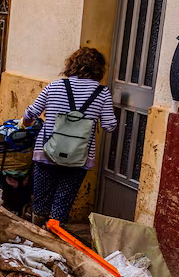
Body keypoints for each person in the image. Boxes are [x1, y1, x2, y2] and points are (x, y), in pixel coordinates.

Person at [22, 46, 117, 226]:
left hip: (46, 154)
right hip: (78, 159)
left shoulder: (54, 86)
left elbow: (31, 113)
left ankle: (35, 235)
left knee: (40, 203)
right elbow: (109, 126)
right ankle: (54, 234)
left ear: (72, 65)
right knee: (62, 205)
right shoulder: (102, 93)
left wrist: (26, 123)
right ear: (98, 68)